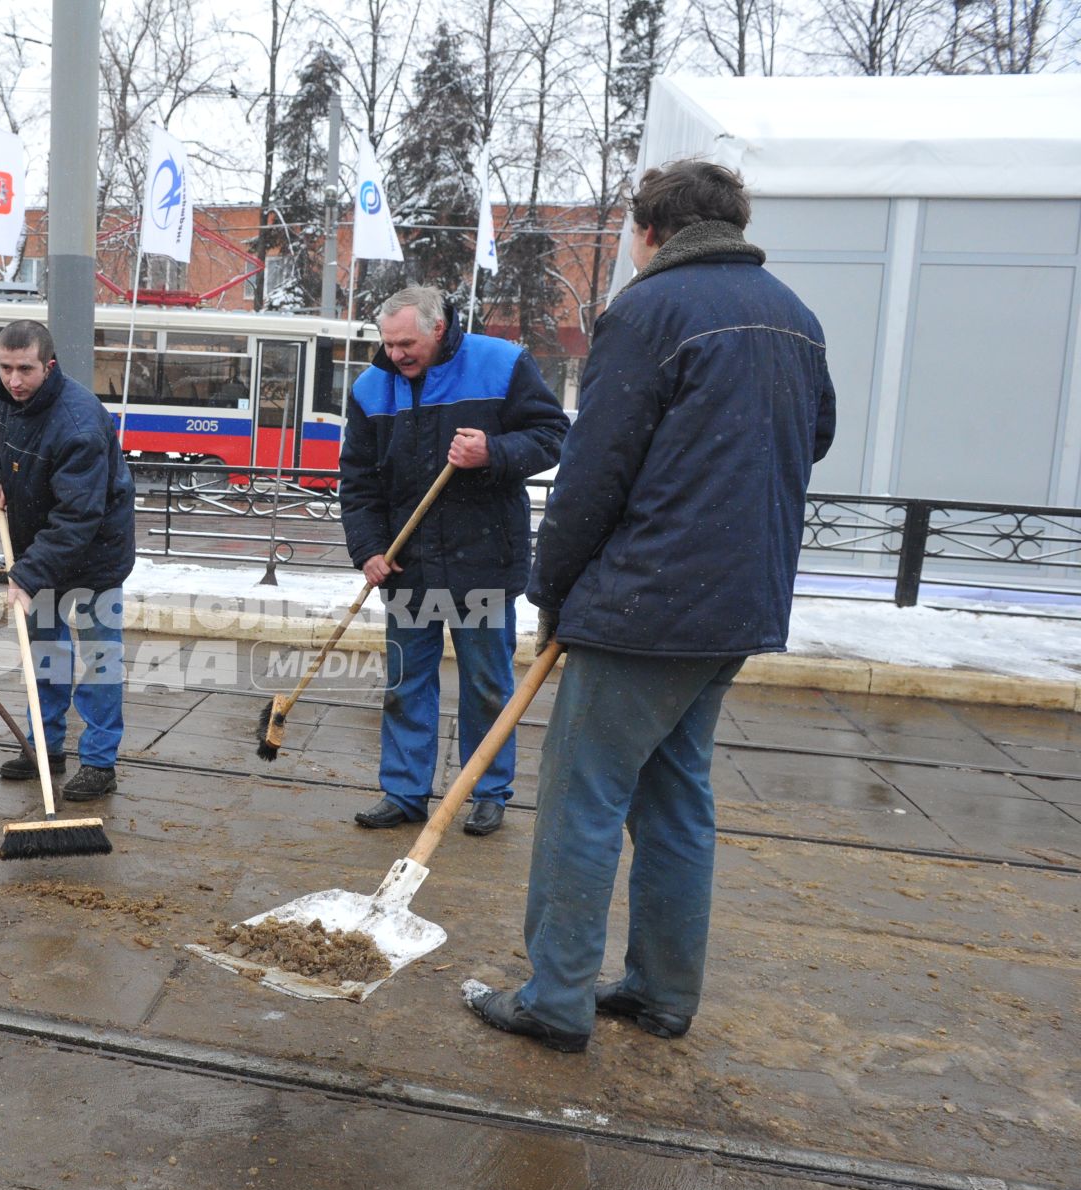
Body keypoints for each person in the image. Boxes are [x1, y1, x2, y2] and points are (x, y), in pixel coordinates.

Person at [466, 160, 836, 1053]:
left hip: (643, 605)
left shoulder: (646, 310)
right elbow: (815, 436)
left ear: (649, 231)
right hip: (738, 605)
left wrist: (551, 589)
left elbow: (593, 474)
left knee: (580, 801)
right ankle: (664, 991)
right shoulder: (796, 315)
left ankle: (555, 999)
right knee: (675, 797)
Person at [340, 285, 568, 837]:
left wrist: (493, 451)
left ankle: (486, 792)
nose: (396, 355)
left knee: (488, 684)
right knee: (404, 683)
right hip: (407, 567)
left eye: (406, 343)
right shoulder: (372, 388)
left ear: (438, 328)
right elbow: (359, 480)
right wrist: (368, 549)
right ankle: (404, 792)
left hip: (482, 564)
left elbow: (553, 436)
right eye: (388, 344)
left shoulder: (501, 364)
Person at [0, 320, 136, 802]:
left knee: (98, 660)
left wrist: (25, 575)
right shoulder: (7, 396)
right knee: (43, 656)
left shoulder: (78, 423)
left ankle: (99, 761)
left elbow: (77, 516)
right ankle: (44, 749)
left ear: (47, 365)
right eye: (5, 368)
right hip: (39, 548)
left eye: (24, 369)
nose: (13, 380)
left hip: (93, 556)